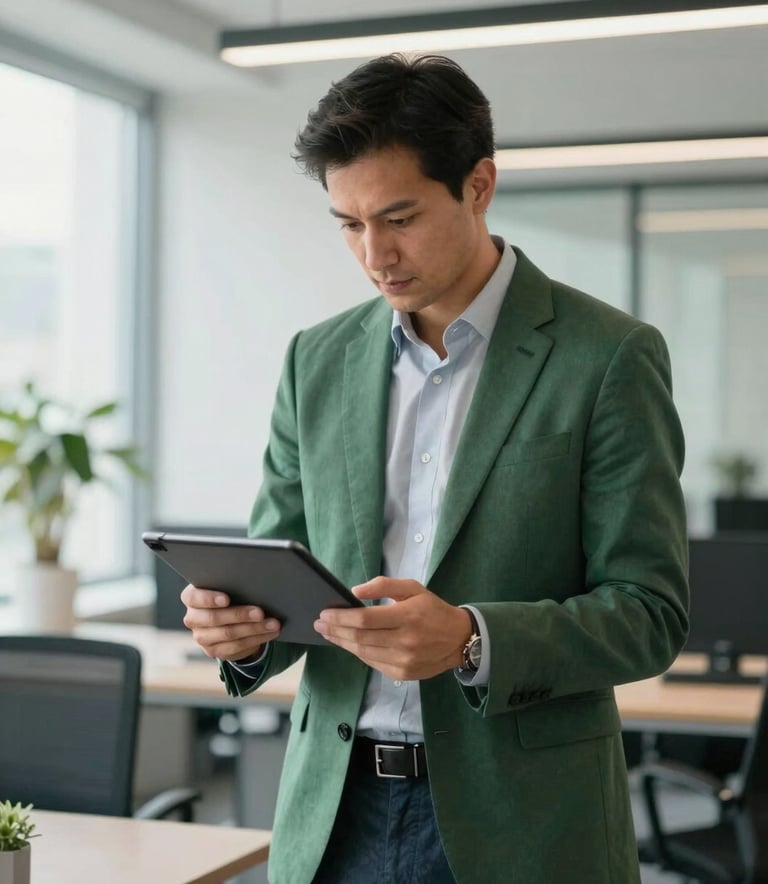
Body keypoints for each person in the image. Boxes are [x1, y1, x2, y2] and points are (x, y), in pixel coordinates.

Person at [181, 53, 689, 884]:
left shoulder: (608, 358)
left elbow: (651, 613)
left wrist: (469, 639)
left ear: (479, 185)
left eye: (400, 217)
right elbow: (283, 572)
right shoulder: (317, 360)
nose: (375, 254)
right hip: (332, 818)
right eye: (348, 224)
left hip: (523, 826)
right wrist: (240, 633)